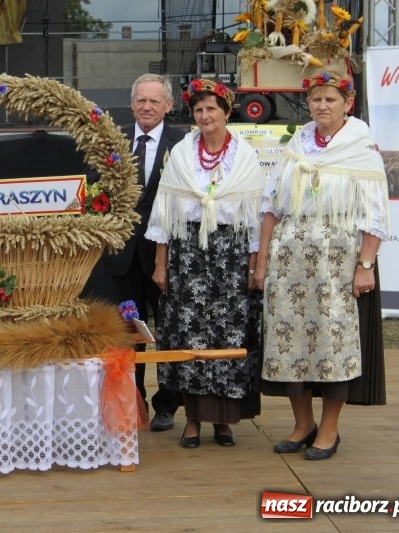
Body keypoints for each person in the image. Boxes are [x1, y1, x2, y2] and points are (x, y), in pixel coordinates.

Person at [255, 71, 389, 460]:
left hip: (337, 264)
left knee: (331, 345)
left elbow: (375, 215)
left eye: (330, 99)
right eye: (315, 99)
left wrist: (366, 265)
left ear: (348, 103)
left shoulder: (362, 148)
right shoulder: (297, 144)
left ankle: (328, 429)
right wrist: (261, 262)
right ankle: (302, 424)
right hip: (289, 264)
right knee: (289, 343)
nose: (322, 106)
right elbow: (271, 205)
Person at [146, 79, 264, 448]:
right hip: (187, 254)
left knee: (228, 334)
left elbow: (255, 218)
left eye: (212, 108)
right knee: (188, 333)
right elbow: (164, 214)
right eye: (198, 109)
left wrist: (253, 266)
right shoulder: (182, 153)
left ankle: (224, 422)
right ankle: (194, 420)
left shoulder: (245, 156)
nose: (204, 115)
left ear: (228, 112)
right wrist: (161, 265)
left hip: (230, 255)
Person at [113, 73, 186, 431]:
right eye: (141, 100)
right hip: (121, 258)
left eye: (155, 101)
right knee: (129, 332)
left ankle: (167, 404)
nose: (147, 106)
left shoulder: (184, 144)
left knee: (168, 330)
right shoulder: (112, 142)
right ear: (131, 104)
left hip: (166, 257)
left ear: (168, 106)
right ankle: (133, 398)